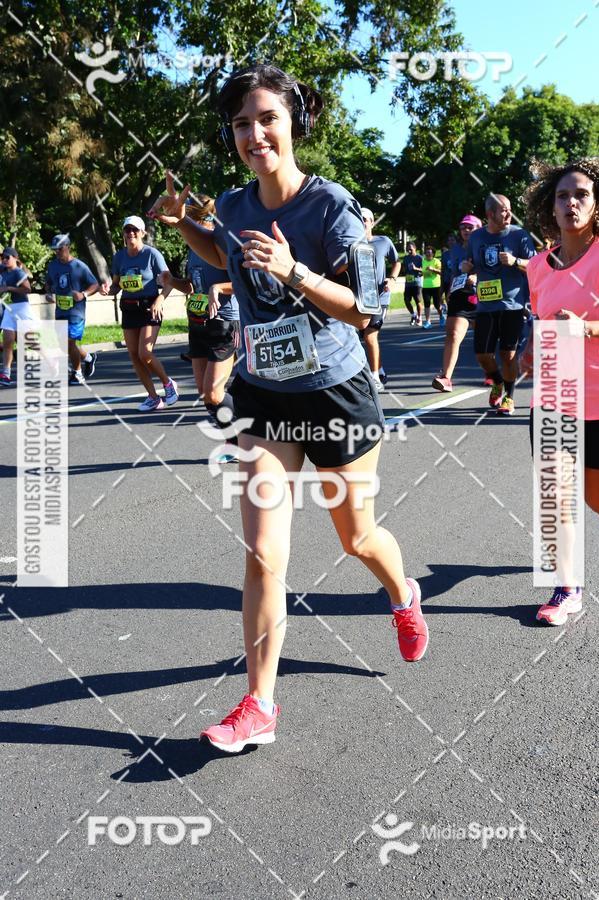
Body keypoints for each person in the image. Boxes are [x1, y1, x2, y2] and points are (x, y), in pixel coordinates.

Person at [151, 63, 429, 754]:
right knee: (263, 556)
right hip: (265, 396)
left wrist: (295, 272)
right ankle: (260, 704)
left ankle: (403, 594)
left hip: (336, 395)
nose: (254, 134)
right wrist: (186, 223)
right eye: (242, 124)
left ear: (294, 122)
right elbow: (222, 255)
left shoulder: (332, 207)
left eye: (266, 118)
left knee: (356, 538)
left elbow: (367, 308)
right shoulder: (234, 202)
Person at [520, 158, 599, 625]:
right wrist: (532, 350)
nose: (571, 202)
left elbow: (577, 325)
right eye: (562, 195)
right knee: (556, 495)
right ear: (549, 206)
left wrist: (586, 329)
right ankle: (566, 588)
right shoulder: (536, 267)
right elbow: (543, 321)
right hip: (555, 390)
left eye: (582, 194)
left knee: (592, 499)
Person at [160, 197, 240, 451]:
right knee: (205, 394)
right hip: (197, 324)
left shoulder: (223, 244)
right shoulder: (193, 249)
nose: (198, 226)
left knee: (215, 393)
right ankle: (233, 440)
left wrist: (219, 288)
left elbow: (243, 282)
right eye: (195, 221)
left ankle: (245, 434)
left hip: (225, 322)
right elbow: (192, 286)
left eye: (203, 220)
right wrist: (172, 281)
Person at [463, 194, 536, 415]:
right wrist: (468, 268)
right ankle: (497, 381)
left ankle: (509, 398)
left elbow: (535, 265)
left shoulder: (519, 235)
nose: (509, 213)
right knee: (482, 355)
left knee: (508, 354)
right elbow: (471, 263)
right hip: (485, 304)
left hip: (512, 304)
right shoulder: (476, 238)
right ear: (490, 214)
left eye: (509, 209)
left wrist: (516, 262)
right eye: (503, 209)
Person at [100, 216, 178, 411]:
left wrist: (160, 299)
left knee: (145, 353)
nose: (131, 233)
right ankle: (153, 398)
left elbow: (170, 281)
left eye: (135, 229)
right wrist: (108, 289)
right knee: (134, 355)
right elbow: (116, 285)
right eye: (127, 230)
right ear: (124, 234)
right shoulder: (119, 257)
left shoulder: (152, 254)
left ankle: (168, 383)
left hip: (149, 306)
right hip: (128, 306)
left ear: (143, 233)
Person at [432, 215, 482, 392]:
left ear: (478, 228)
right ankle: (446, 378)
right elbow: (452, 273)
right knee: (453, 335)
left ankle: (493, 375)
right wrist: (449, 293)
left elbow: (494, 269)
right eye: (463, 228)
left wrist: (477, 276)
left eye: (470, 227)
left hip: (482, 296)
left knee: (484, 342)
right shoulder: (455, 250)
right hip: (460, 295)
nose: (466, 231)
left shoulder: (485, 245)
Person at [45, 234, 99, 385]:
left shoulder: (79, 266)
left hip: (76, 312)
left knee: (68, 342)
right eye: (55, 249)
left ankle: (77, 373)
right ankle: (89, 358)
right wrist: (49, 294)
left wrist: (83, 294)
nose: (57, 252)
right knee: (66, 344)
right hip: (60, 310)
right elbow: (48, 283)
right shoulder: (52, 266)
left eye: (60, 248)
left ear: (68, 247)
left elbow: (95, 285)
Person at [359, 207, 400, 389]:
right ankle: (380, 370)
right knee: (362, 337)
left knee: (370, 336)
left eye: (364, 219)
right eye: (357, 218)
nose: (361, 222)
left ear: (372, 222)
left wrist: (391, 279)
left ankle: (375, 377)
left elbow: (396, 261)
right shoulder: (351, 244)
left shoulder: (383, 241)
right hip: (359, 297)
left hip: (380, 297)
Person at [0, 248, 35, 386]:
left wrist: (9, 288)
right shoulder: (3, 269)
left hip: (21, 308)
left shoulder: (18, 272)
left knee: (31, 341)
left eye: (7, 257)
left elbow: (27, 289)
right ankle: (6, 374)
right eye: (3, 257)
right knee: (8, 340)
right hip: (9, 309)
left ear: (15, 258)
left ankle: (53, 361)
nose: (4, 260)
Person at [401, 242, 423, 325]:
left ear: (415, 248)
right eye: (408, 248)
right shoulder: (406, 258)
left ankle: (419, 317)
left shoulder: (420, 258)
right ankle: (413, 315)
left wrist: (416, 268)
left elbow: (423, 270)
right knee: (406, 300)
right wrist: (403, 270)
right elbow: (404, 269)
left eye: (410, 248)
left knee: (418, 301)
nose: (409, 250)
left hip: (417, 282)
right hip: (408, 283)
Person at [421, 245, 443, 329]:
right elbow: (423, 271)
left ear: (433, 254)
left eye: (430, 253)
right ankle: (428, 322)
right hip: (426, 286)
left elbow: (441, 272)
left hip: (436, 286)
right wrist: (420, 272)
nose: (428, 254)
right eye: (427, 253)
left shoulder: (436, 261)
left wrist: (432, 269)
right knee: (427, 304)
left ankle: (441, 316)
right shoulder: (423, 261)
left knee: (437, 304)